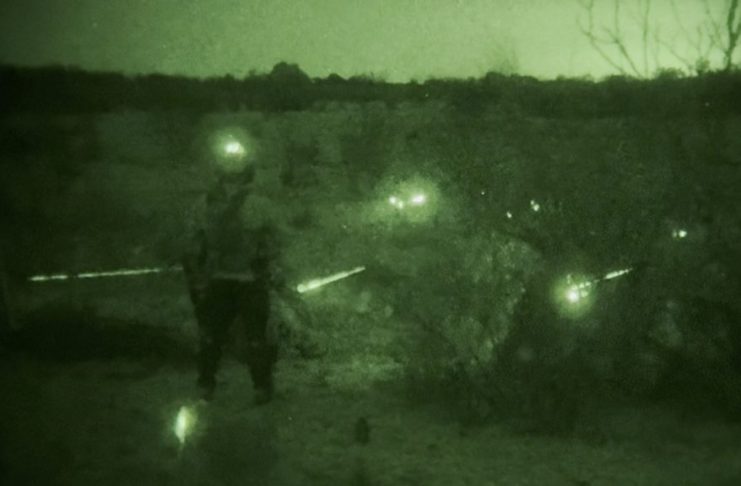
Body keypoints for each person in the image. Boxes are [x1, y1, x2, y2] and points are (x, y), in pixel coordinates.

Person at [181, 159, 283, 405]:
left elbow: (193, 243)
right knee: (238, 337)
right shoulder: (209, 204)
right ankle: (244, 387)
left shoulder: (249, 204)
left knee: (226, 337)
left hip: (240, 279)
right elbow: (193, 243)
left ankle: (215, 386)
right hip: (230, 280)